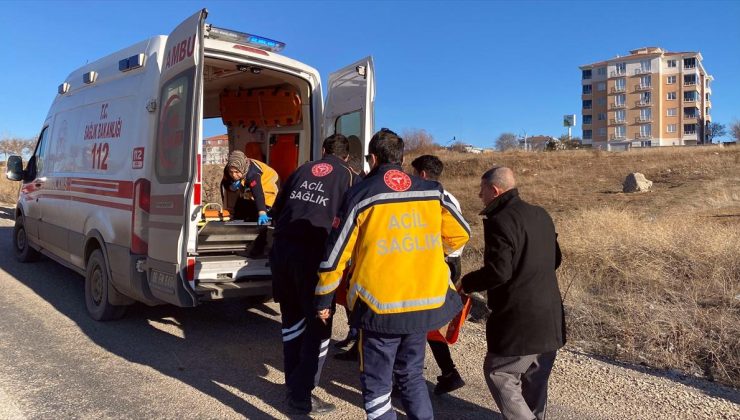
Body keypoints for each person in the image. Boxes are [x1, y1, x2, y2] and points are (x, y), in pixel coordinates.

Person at [314, 128, 470, 420]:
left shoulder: (360, 194)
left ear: (372, 158)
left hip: (380, 308)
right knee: (411, 376)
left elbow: (336, 255)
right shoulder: (430, 189)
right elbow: (461, 234)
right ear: (402, 158)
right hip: (423, 302)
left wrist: (323, 299)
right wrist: (428, 251)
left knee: (377, 389)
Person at [460, 167, 565, 420]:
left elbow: (499, 271)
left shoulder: (500, 220)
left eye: (482, 190)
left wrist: (466, 282)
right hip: (550, 315)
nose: (479, 195)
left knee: (500, 372)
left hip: (520, 318)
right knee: (535, 378)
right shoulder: (541, 214)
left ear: (494, 190)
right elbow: (556, 258)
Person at [269, 134, 359, 415]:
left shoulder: (302, 170)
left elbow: (277, 210)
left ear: (323, 151)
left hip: (283, 254)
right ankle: (302, 394)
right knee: (319, 327)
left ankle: (292, 383)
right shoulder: (350, 177)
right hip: (316, 259)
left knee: (292, 322)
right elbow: (352, 222)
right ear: (346, 156)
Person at [410, 154, 466, 395]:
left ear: (422, 174)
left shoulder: (430, 197)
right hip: (451, 262)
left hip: (439, 262)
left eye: (413, 173)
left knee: (420, 319)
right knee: (430, 319)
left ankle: (409, 374)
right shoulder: (448, 197)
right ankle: (448, 372)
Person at [221, 150, 279, 224]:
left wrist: (262, 213)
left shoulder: (253, 174)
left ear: (242, 169)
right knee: (242, 206)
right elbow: (225, 183)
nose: (234, 175)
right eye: (231, 172)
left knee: (262, 208)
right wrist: (230, 187)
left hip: (268, 183)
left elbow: (258, 194)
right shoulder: (228, 169)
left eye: (236, 172)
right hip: (249, 182)